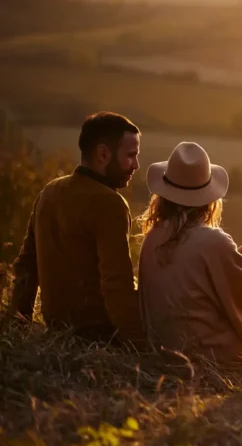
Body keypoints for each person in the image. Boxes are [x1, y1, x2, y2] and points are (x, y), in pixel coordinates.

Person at [11, 112, 146, 345]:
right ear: (103, 154)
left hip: (58, 332)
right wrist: (140, 348)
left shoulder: (49, 192)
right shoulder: (109, 203)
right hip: (99, 338)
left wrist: (16, 325)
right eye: (130, 155)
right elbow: (116, 284)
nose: (136, 165)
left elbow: (26, 266)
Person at [138, 142, 242, 365]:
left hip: (164, 356)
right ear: (209, 199)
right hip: (211, 360)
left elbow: (195, 265)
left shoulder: (153, 237)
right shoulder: (213, 240)